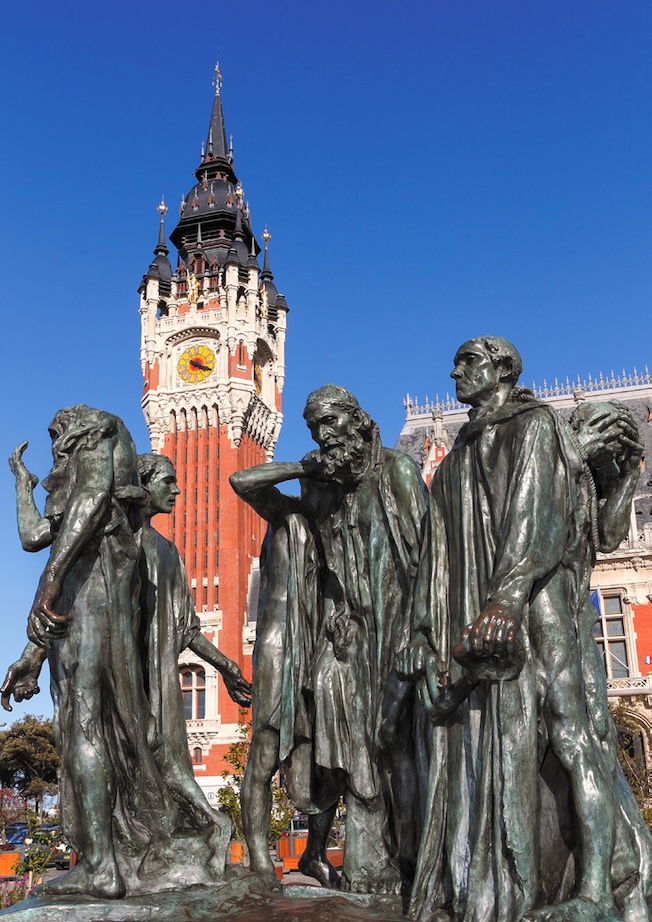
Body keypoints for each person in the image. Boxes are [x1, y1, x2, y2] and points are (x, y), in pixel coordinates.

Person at [399, 338, 650, 922]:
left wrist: (506, 601)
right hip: (493, 613)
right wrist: (422, 629)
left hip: (539, 610)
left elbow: (538, 523)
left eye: (467, 362)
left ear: (503, 369)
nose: (454, 371)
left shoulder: (536, 427)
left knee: (573, 739)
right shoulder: (460, 452)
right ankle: (506, 878)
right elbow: (436, 556)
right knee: (500, 746)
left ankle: (592, 889)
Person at [0, 409, 233, 898]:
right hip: (94, 620)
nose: (58, 451)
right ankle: (124, 851)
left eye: (59, 442)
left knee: (86, 726)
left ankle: (103, 865)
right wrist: (22, 483)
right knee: (118, 733)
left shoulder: (99, 434)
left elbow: (86, 504)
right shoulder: (108, 506)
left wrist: (49, 580)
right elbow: (34, 536)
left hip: (93, 614)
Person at [231, 384, 428, 894]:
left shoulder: (398, 473)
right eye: (315, 430)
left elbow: (432, 564)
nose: (324, 437)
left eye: (331, 425)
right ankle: (369, 865)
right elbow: (243, 481)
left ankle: (412, 858)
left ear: (358, 422)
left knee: (398, 747)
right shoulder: (320, 489)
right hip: (344, 640)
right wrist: (302, 469)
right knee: (353, 748)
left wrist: (423, 633)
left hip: (398, 630)